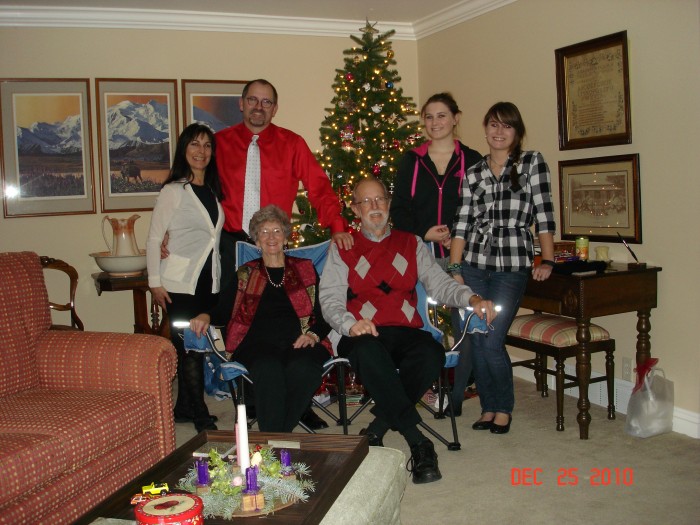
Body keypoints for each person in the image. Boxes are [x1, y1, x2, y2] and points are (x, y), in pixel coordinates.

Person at [319, 177, 497, 484]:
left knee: (431, 354)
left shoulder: (410, 242)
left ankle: (375, 431)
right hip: (362, 331)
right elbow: (330, 300)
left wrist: (472, 297)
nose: (374, 207)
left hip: (405, 328)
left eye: (380, 200)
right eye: (366, 202)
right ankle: (419, 441)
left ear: (388, 205)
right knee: (368, 352)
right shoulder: (343, 247)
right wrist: (351, 324)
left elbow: (439, 285)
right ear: (355, 209)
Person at [214, 78, 352, 429]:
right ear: (241, 104)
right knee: (241, 312)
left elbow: (319, 186)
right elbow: (194, 188)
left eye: (267, 102)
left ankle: (290, 404)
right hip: (229, 241)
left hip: (271, 236)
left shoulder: (292, 143)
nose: (259, 107)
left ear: (275, 108)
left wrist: (336, 226)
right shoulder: (219, 144)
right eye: (253, 100)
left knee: (288, 313)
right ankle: (261, 397)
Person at [449, 101, 556, 435]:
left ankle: (504, 408)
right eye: (493, 125)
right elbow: (462, 223)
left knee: (492, 340)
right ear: (485, 128)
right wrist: (455, 268)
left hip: (512, 266)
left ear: (517, 132)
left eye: (506, 126)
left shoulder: (531, 163)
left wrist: (547, 259)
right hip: (475, 265)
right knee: (477, 338)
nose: (498, 132)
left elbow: (544, 214)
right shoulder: (473, 173)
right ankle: (488, 408)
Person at [189, 205, 332, 432]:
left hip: (301, 341)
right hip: (256, 344)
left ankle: (275, 436)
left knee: (304, 368)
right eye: (264, 232)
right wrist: (205, 314)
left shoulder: (305, 269)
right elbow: (223, 309)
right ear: (256, 241)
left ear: (286, 238)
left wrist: (313, 335)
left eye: (277, 231)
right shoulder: (246, 273)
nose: (271, 237)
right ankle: (278, 436)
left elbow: (325, 313)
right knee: (268, 369)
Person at [391, 92, 482, 417]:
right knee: (418, 321)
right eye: (429, 117)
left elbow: (481, 210)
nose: (435, 123)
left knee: (465, 322)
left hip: (465, 254)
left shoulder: (473, 160)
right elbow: (399, 208)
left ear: (455, 118)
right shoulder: (411, 161)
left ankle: (457, 392)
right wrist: (424, 231)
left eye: (441, 116)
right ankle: (425, 386)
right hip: (422, 252)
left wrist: (459, 234)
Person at [146, 123, 225, 433]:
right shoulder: (173, 190)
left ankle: (182, 408)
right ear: (184, 149)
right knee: (190, 348)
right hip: (178, 283)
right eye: (195, 144)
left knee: (199, 342)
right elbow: (154, 238)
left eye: (207, 145)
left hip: (208, 281)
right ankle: (201, 416)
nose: (201, 151)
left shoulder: (213, 192)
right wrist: (154, 281)